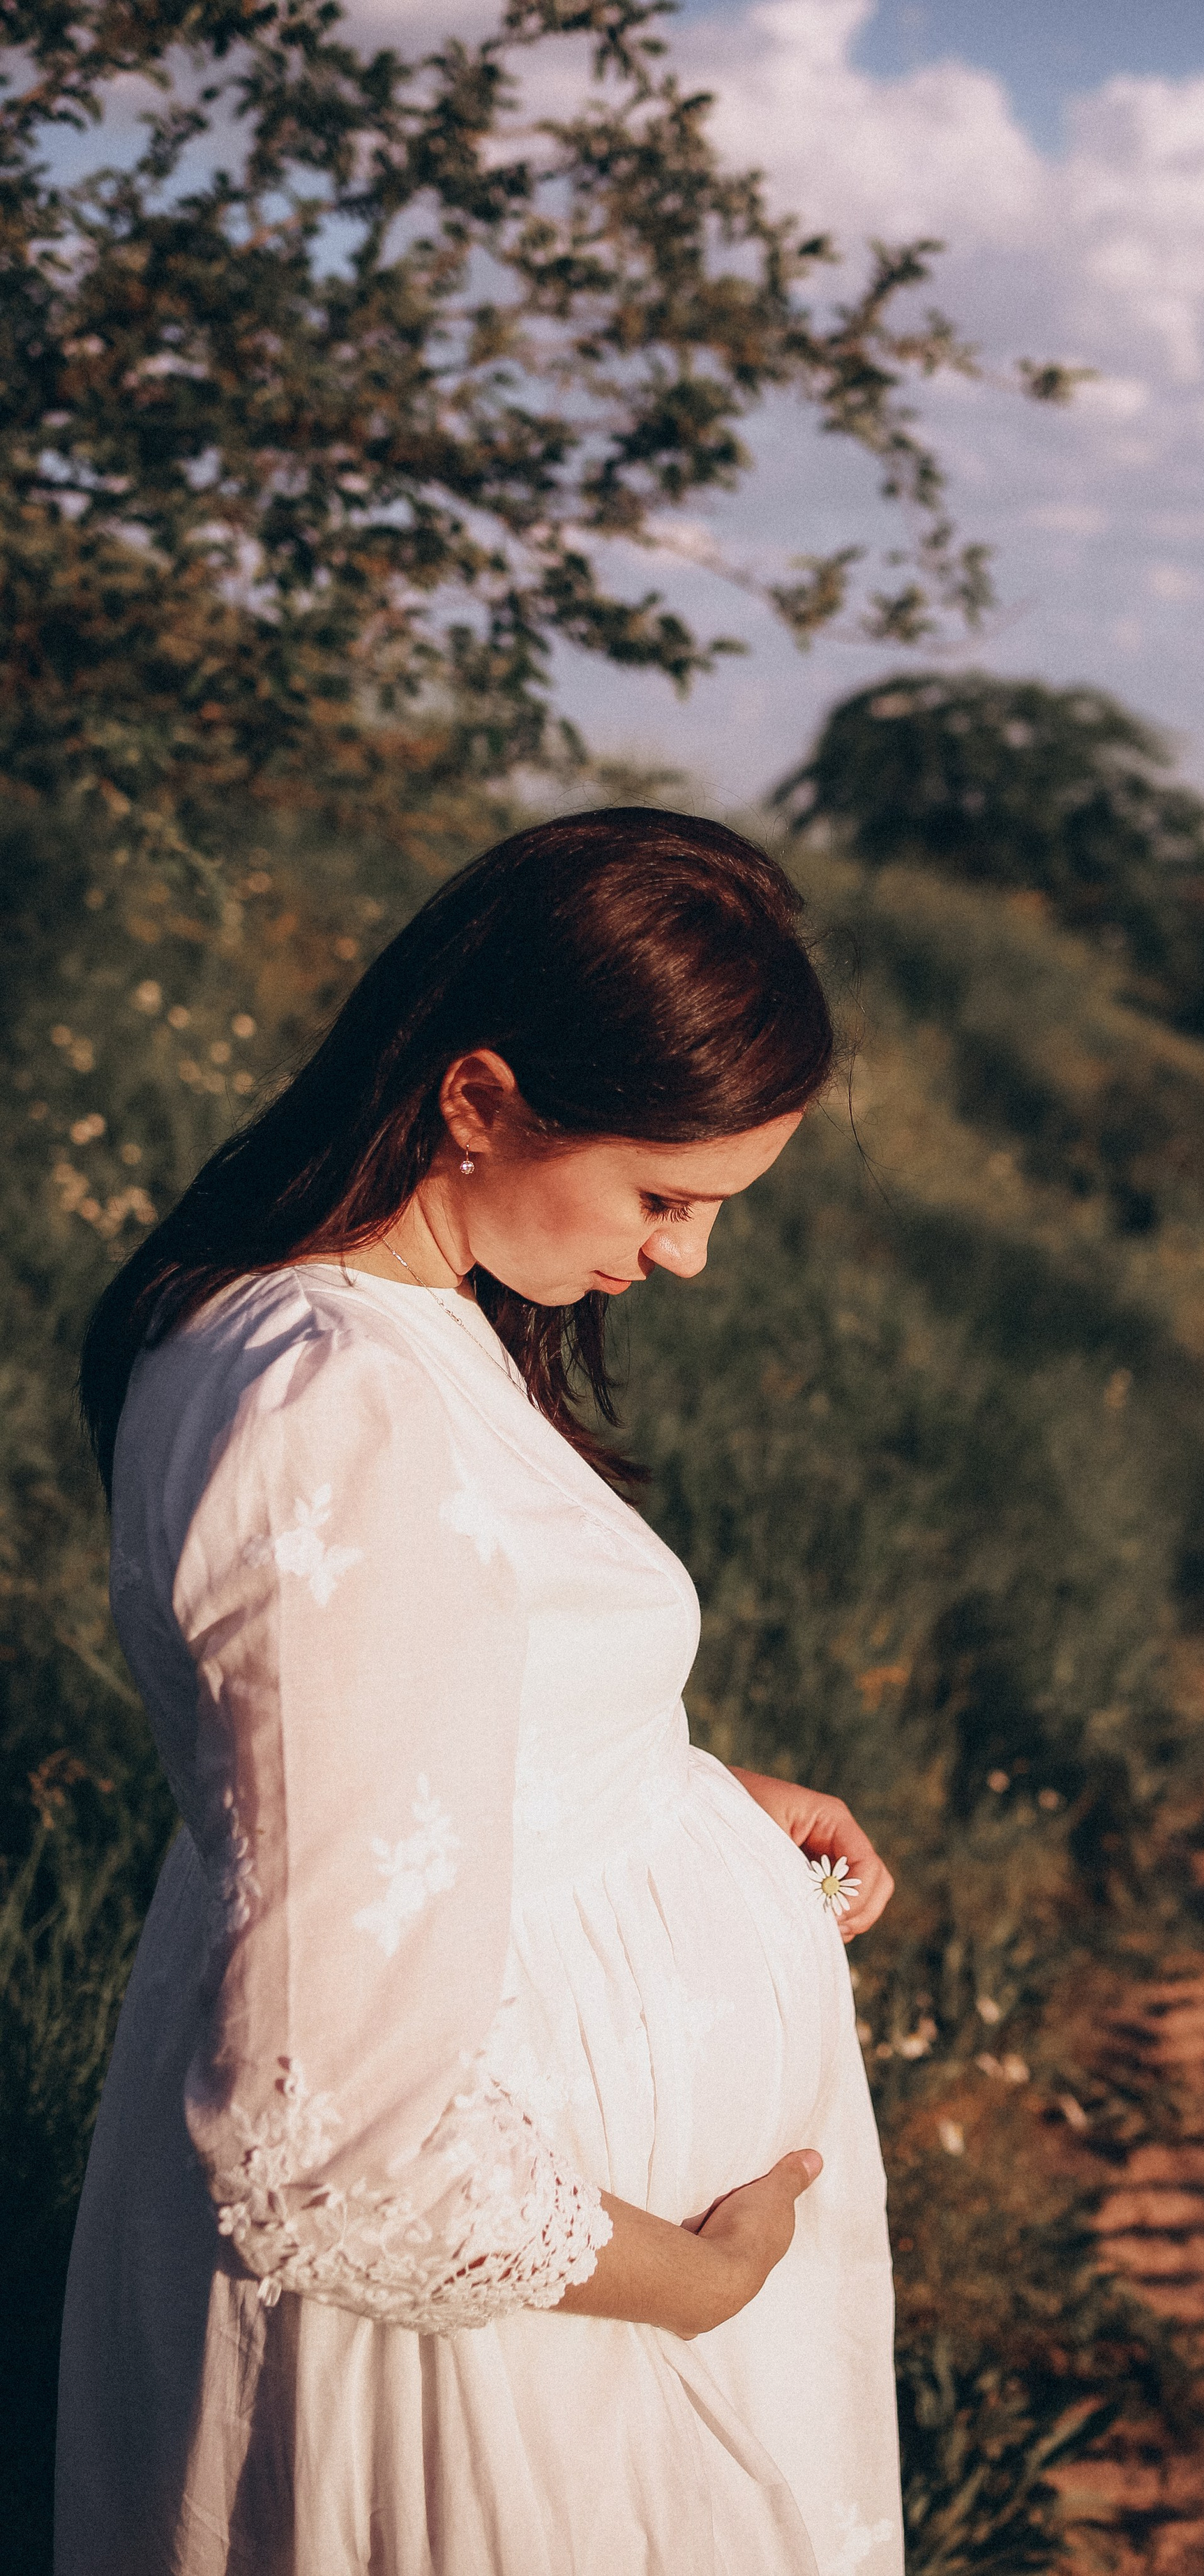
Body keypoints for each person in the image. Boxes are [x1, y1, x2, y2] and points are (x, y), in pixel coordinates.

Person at [56, 812, 903, 2576]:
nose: (685, 1258)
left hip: (579, 2287)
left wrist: (667, 1787)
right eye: (663, 1197)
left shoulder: (370, 1322)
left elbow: (374, 1725)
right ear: (478, 1098)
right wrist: (704, 2283)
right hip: (519, 2343)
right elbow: (330, 2149)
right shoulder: (331, 1406)